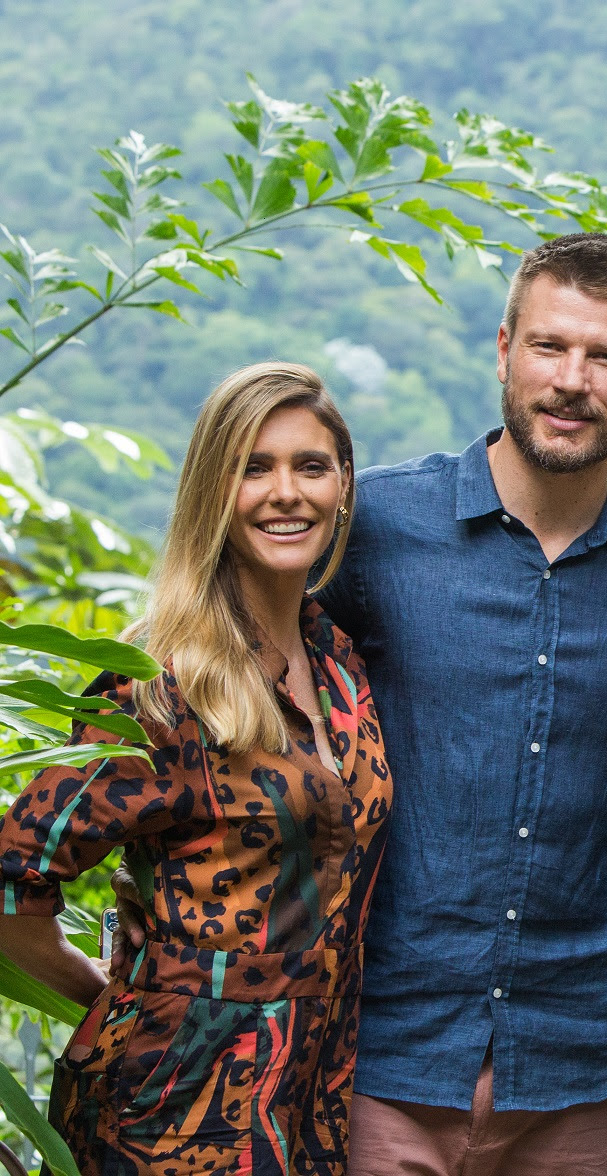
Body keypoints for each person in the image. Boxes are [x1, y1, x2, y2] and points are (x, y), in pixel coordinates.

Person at [116, 234, 607, 1175]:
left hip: (573, 1062)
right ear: (505, 346)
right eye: (550, 347)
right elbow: (232, 661)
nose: (572, 380)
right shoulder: (374, 526)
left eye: (604, 357)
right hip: (378, 1051)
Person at [0, 363, 386, 1174]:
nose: (286, 491)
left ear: (344, 485)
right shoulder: (161, 681)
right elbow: (12, 880)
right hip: (169, 1111)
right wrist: (112, 993)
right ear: (215, 489)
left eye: (310, 466)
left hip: (311, 1106)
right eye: (254, 466)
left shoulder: (339, 659)